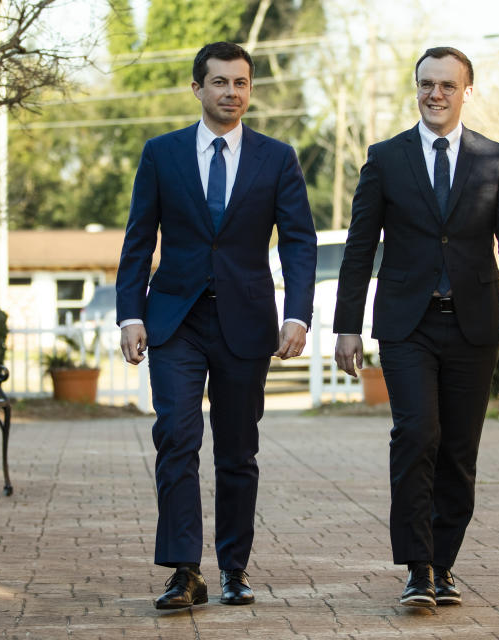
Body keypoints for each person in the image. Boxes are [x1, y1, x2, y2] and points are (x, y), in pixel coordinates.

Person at [116, 41, 316, 610]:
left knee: (236, 450)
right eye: (221, 82)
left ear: (250, 90)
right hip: (175, 319)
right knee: (176, 438)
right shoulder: (163, 154)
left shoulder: (277, 159)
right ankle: (184, 570)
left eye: (241, 83)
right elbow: (138, 240)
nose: (232, 92)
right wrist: (131, 313)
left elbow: (299, 242)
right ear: (198, 88)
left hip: (245, 322)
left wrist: (297, 314)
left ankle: (233, 567)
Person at [333, 46, 499, 608]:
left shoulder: (495, 160)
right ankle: (417, 568)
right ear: (416, 87)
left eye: (447, 85)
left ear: (466, 91)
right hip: (406, 326)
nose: (435, 94)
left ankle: (443, 564)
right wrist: (347, 324)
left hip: (474, 326)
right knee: (417, 433)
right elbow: (358, 247)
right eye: (426, 83)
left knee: (459, 450)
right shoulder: (385, 158)